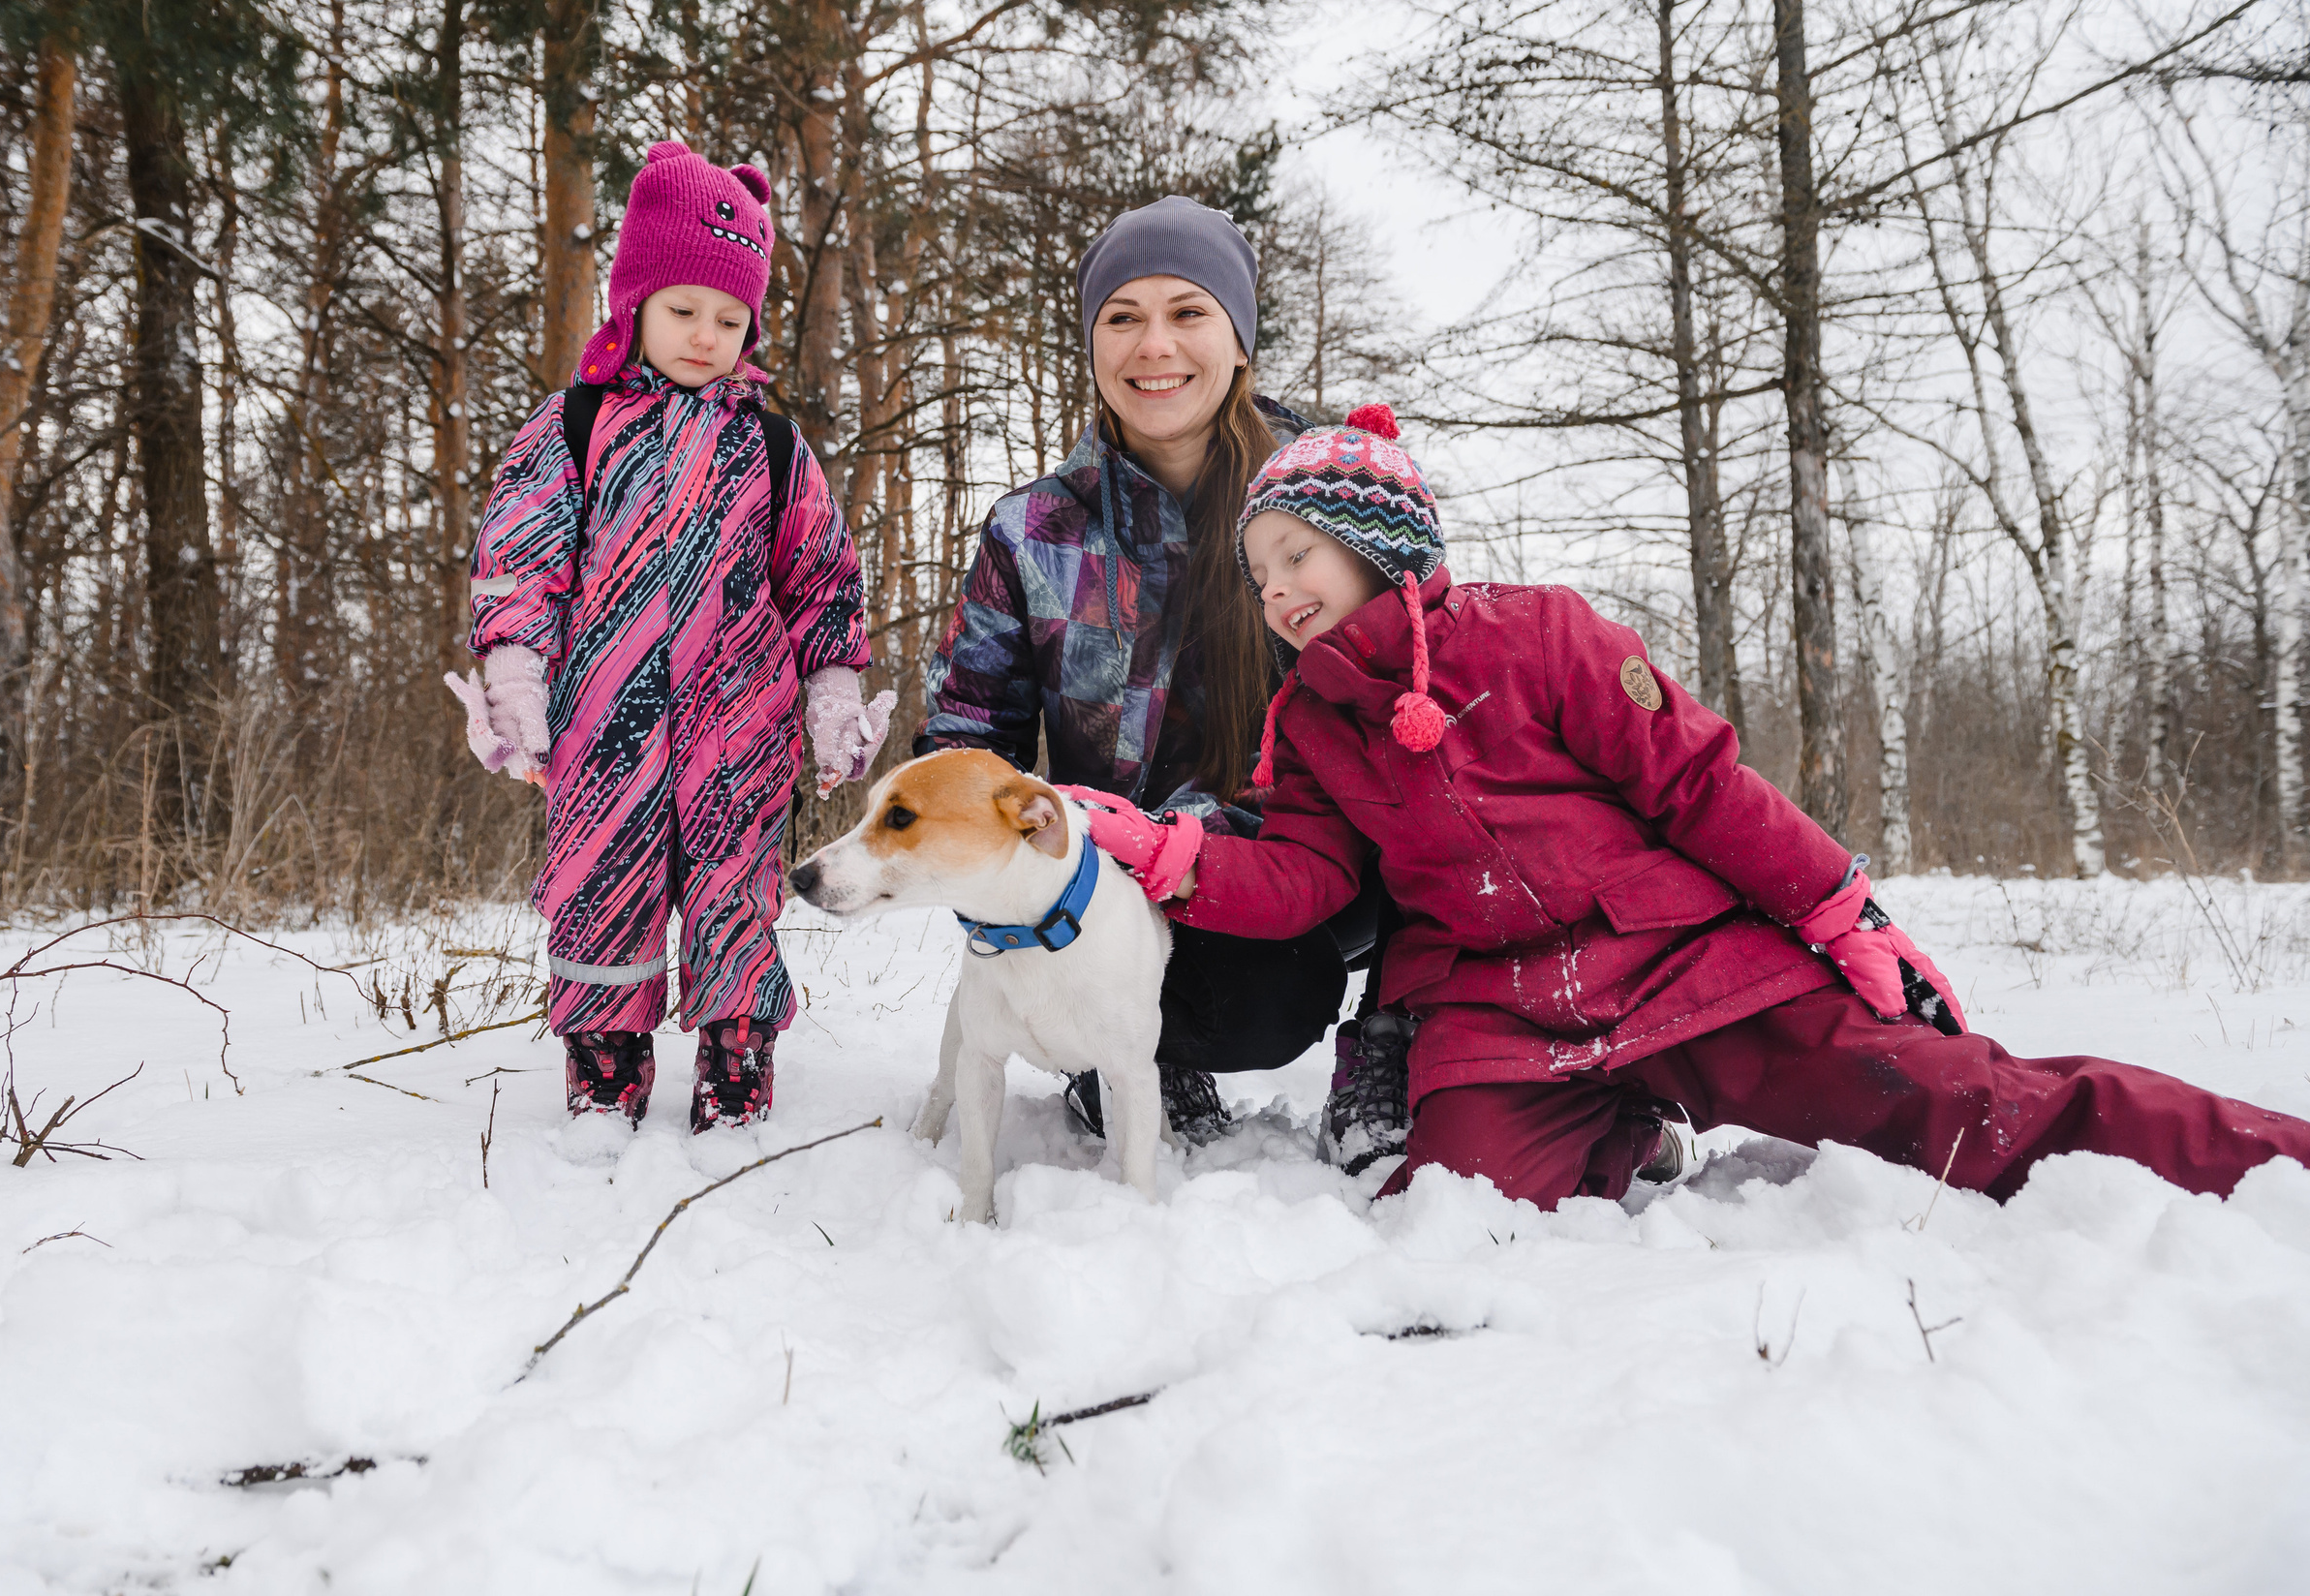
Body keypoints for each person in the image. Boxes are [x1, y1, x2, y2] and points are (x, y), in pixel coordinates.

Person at [1068, 405, 2310, 1207]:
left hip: (1682, 967)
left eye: (1298, 556)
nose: (1277, 592)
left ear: (1380, 545)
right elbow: (1302, 879)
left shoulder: (1541, 636)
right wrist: (1161, 854)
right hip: (1504, 1014)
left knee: (1949, 1107)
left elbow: (1702, 787)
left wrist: (1842, 913)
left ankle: (2259, 1156)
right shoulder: (1312, 726)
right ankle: (1620, 1127)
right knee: (1458, 1206)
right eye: (1260, 572)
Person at [917, 196, 1396, 1152]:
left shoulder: (1343, 499)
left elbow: (1427, 679)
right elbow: (968, 739)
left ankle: (1396, 1045)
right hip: (1137, 890)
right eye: (1122, 318)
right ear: (1092, 344)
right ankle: (1120, 1048)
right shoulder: (1031, 532)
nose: (1154, 346)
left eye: (1187, 312)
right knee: (1263, 1002)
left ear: (1238, 335)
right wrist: (1012, 866)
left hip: (1328, 864)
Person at [447, 141, 894, 1133]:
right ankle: (605, 1060)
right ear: (633, 301)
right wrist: (516, 680)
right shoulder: (571, 426)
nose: (705, 335)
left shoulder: (772, 446)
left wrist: (830, 697)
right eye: (684, 309)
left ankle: (738, 1054)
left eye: (729, 318)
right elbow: (522, 563)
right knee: (601, 883)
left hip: (740, 724)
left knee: (737, 889)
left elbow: (820, 580)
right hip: (604, 727)